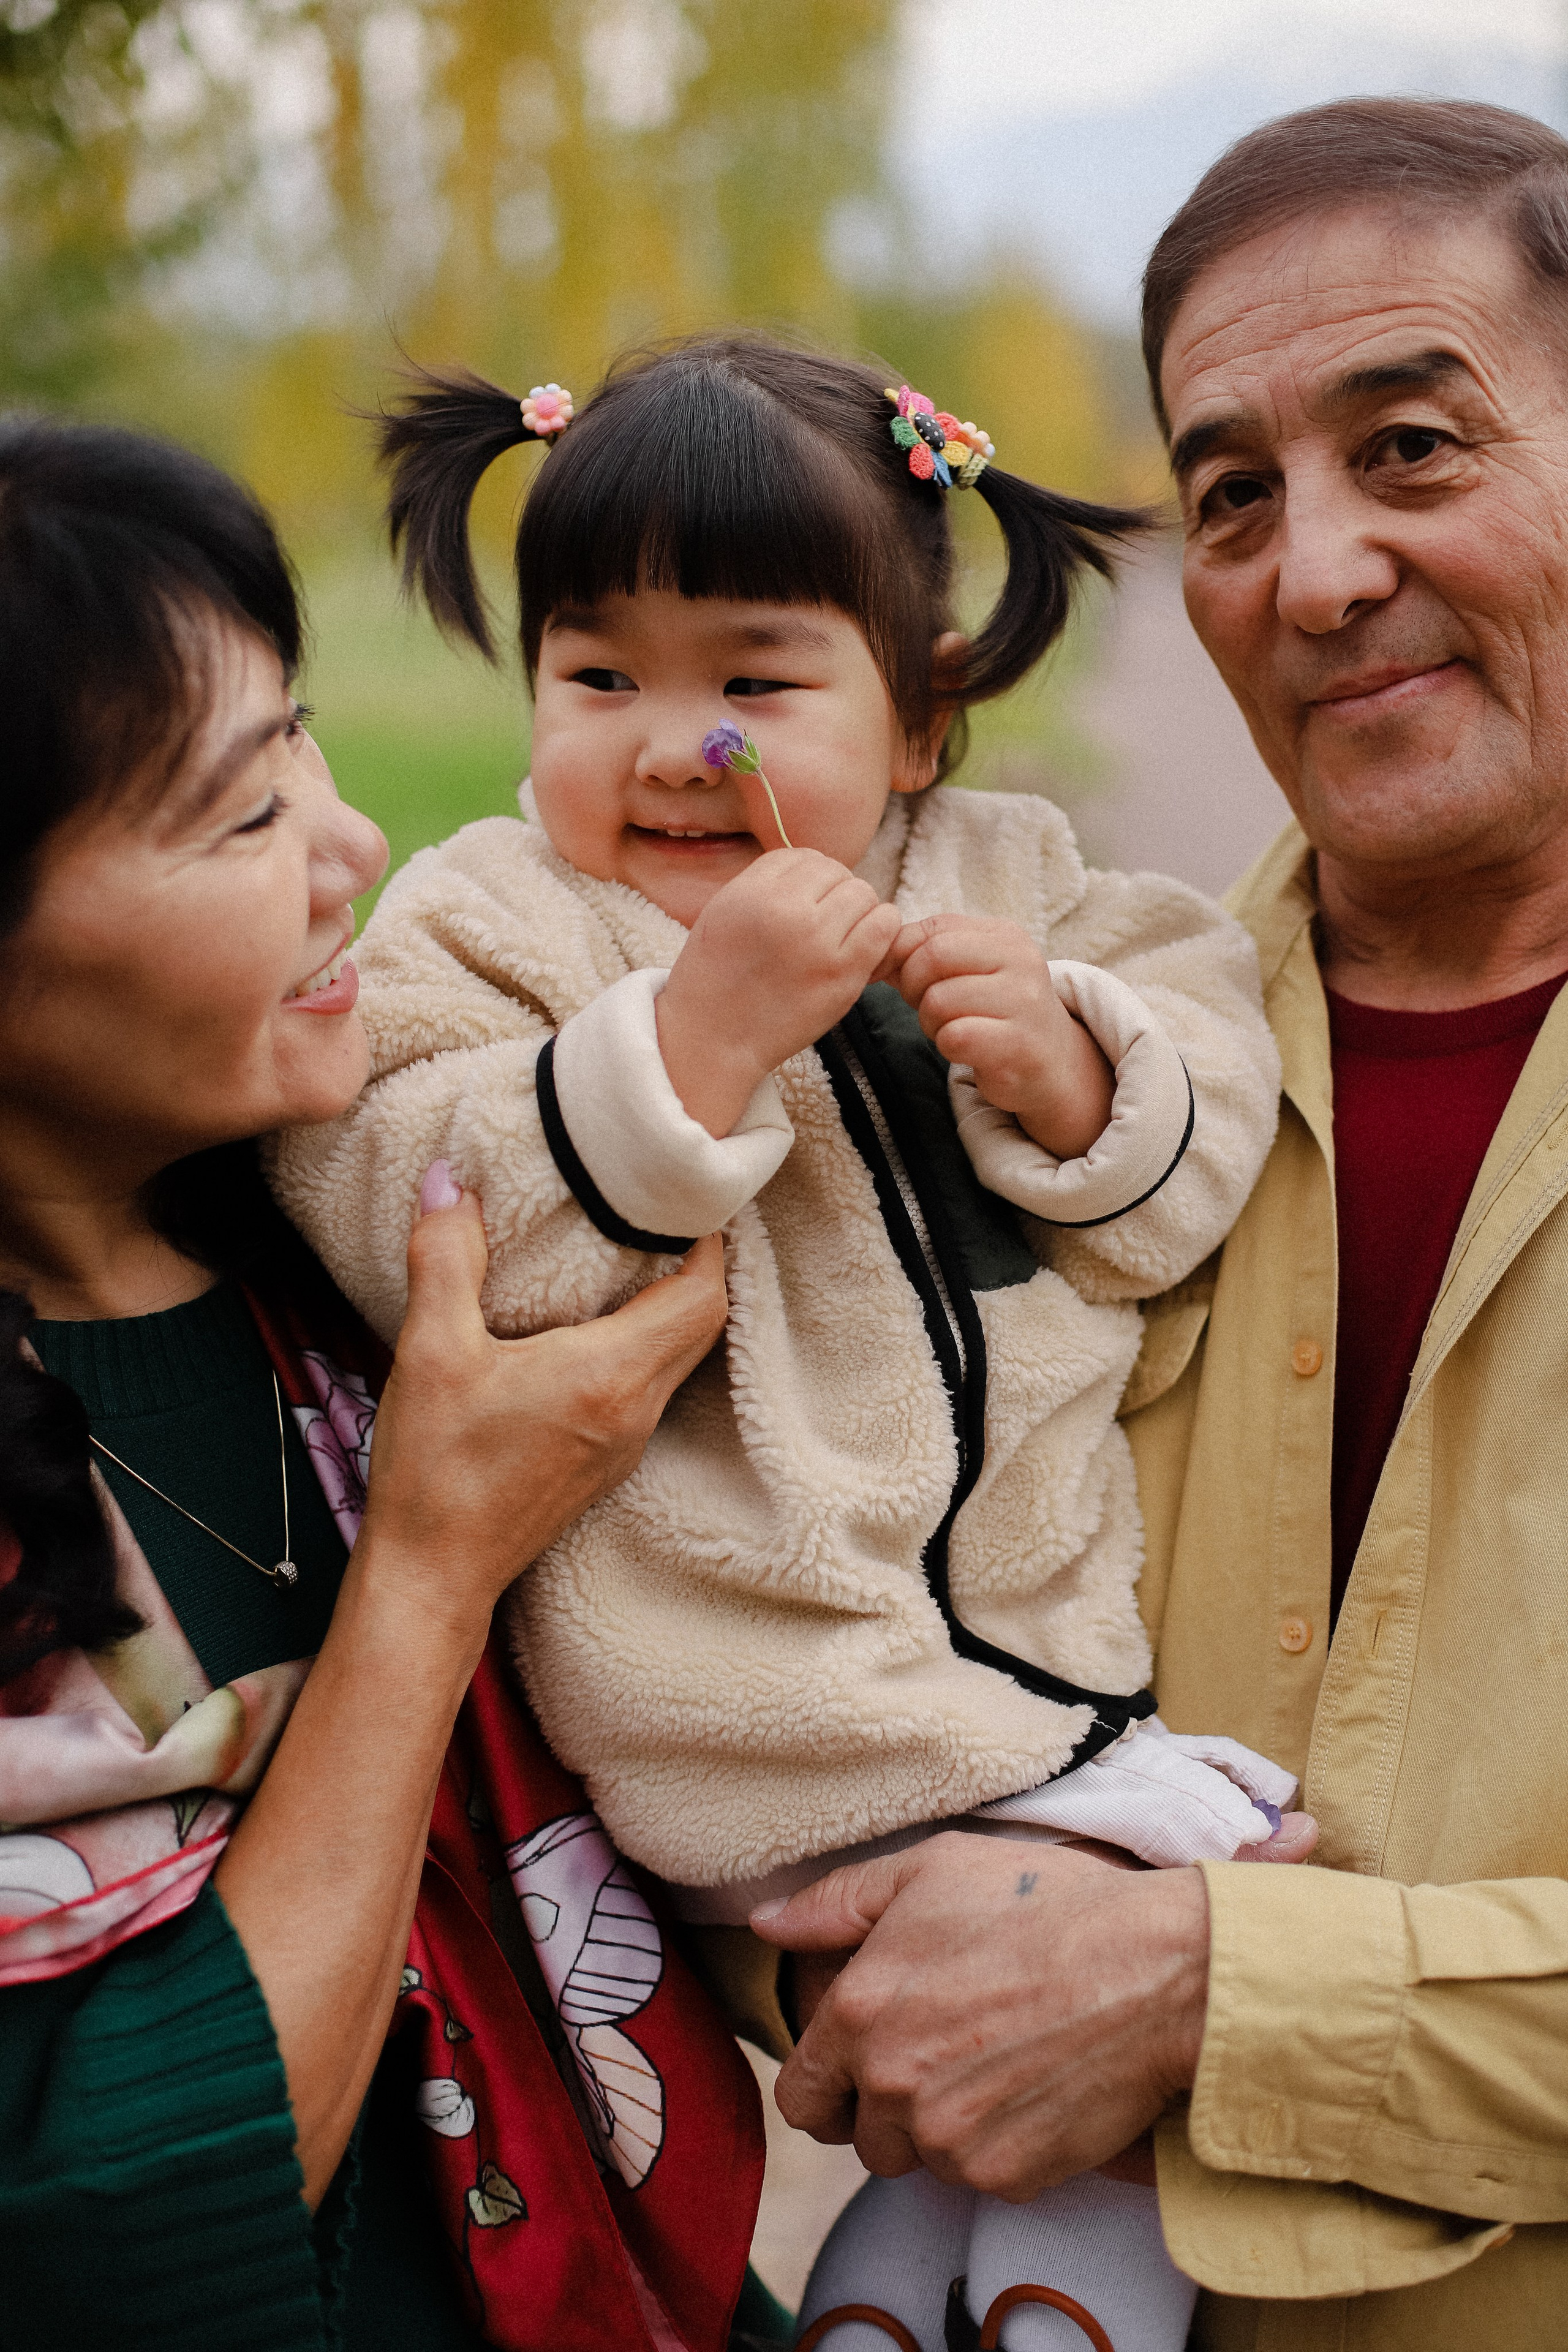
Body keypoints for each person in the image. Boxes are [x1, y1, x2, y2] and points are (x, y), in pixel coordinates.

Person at [270, 334, 1303, 2352]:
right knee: (1227, 1908)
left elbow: (1218, 1092)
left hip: (1031, 1653)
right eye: (599, 677)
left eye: (752, 682)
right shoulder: (499, 922)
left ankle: (899, 2311)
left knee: (1001, 2109)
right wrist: (684, 1047)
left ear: (917, 726)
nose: (670, 745)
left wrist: (1089, 1084)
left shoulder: (1018, 888)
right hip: (760, 1711)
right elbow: (401, 1190)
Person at [748, 95, 1568, 2352]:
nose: (1312, 573)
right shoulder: (1026, 1082)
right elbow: (769, 1635)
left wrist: (1208, 1989)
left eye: (1413, 449)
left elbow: (1141, 1987)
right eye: (1232, 495)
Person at [0, 413, 790, 2352]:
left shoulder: (376, 1249)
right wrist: (429, 1564)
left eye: (305, 750)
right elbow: (118, 2251)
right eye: (240, 818)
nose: (352, 845)